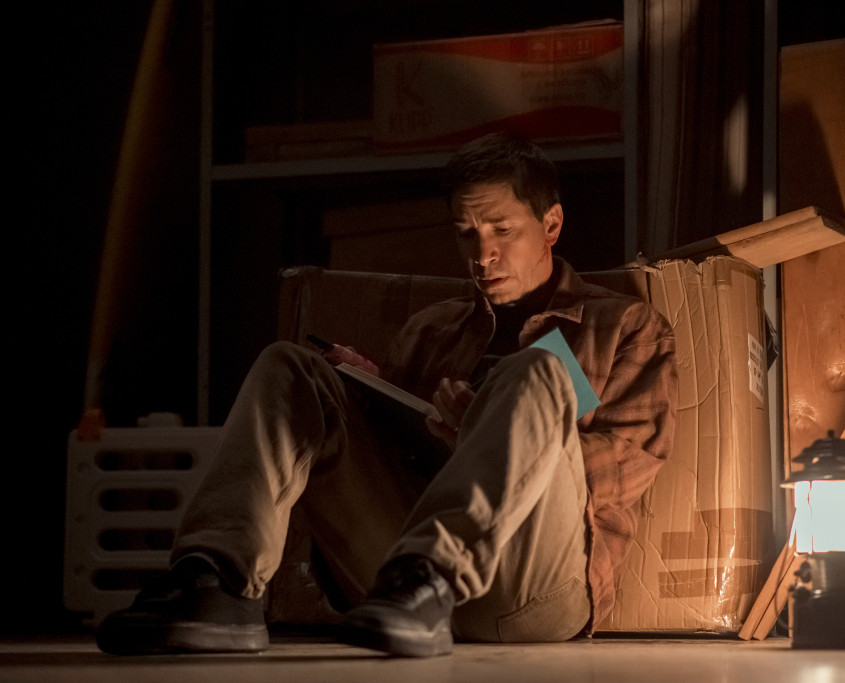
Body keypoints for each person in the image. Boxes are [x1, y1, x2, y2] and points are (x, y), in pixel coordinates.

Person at [96, 132, 677, 657]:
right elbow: (395, 453)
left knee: (535, 371)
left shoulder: (623, 327)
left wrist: (489, 432)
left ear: (550, 225)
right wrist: (368, 392)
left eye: (503, 231)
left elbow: (625, 471)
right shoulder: (431, 330)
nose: (482, 255)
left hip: (531, 588)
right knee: (290, 366)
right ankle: (216, 581)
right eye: (467, 233)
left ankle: (434, 571)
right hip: (398, 591)